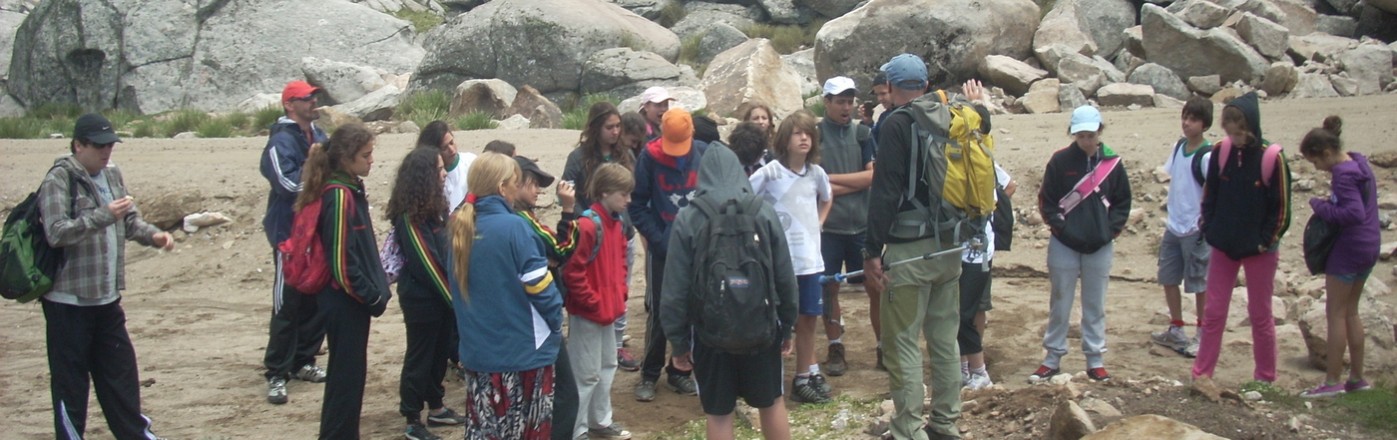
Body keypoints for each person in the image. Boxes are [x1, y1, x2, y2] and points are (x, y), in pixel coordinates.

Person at [864, 54, 986, 440]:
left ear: (893, 85)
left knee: (902, 343)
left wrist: (871, 251)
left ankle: (909, 429)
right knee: (944, 339)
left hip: (908, 251)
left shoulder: (897, 123)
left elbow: (885, 191)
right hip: (950, 247)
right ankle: (946, 423)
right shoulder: (953, 112)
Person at [38, 113, 174, 440]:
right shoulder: (59, 178)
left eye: (110, 144)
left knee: (121, 375)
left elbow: (130, 222)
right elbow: (56, 233)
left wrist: (154, 236)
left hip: (107, 299)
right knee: (71, 383)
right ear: (78, 145)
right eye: (99, 145)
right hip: (68, 302)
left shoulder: (113, 175)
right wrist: (102, 216)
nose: (106, 152)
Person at [660, 144, 797, 440]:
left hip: (710, 332)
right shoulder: (763, 211)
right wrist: (787, 325)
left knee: (719, 414)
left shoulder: (689, 217)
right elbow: (785, 274)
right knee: (772, 402)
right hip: (761, 327)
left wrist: (678, 343)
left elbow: (674, 288)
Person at [451, 153, 564, 439]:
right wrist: (555, 322)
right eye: (516, 182)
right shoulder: (515, 228)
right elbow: (541, 289)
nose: (518, 188)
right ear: (503, 188)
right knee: (526, 429)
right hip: (523, 354)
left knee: (486, 430)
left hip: (479, 355)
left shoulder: (457, 228)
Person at [297, 123, 392, 439]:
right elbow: (341, 262)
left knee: (349, 377)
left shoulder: (349, 188)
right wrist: (370, 295)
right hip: (344, 301)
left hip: (349, 300)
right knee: (345, 380)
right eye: (366, 155)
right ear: (347, 158)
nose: (372, 161)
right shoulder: (338, 196)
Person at [1191, 92, 1291, 387]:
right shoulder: (1221, 152)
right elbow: (1210, 196)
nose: (1235, 139)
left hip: (1259, 249)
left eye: (1240, 133)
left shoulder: (1271, 157)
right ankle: (1202, 373)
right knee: (1214, 311)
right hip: (1223, 244)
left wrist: (1264, 241)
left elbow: (1281, 209)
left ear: (1251, 128)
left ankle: (1264, 378)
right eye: (1230, 133)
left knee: (1260, 314)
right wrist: (1209, 228)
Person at [1031, 106, 1132, 384]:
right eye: (1082, 135)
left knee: (1094, 303)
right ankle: (1052, 357)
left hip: (1100, 244)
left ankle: (1095, 359)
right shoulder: (1060, 161)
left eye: (1091, 135)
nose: (1087, 141)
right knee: (1060, 301)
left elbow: (1123, 201)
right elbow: (1047, 200)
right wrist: (1060, 227)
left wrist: (1109, 232)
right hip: (1064, 243)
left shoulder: (1112, 163)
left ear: (1099, 132)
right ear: (1074, 134)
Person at [751, 110, 833, 403]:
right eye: (798, 133)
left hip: (810, 260)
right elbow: (748, 200)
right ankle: (771, 377)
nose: (804, 139)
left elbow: (827, 196)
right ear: (784, 139)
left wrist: (819, 222)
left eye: (809, 133)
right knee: (776, 319)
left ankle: (804, 375)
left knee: (809, 318)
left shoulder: (816, 173)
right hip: (778, 262)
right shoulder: (770, 172)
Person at [1297, 116, 1380, 398]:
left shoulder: (1343, 175)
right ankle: (1356, 377)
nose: (1318, 168)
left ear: (1327, 153)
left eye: (1316, 162)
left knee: (1336, 314)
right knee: (1352, 312)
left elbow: (1352, 213)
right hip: (1369, 246)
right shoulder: (1359, 164)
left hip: (1348, 249)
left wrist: (1321, 207)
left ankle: (1332, 381)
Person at [387, 146, 467, 440]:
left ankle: (436, 407)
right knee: (419, 357)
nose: (445, 173)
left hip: (441, 300)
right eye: (439, 169)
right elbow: (426, 263)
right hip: (423, 301)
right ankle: (412, 418)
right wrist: (453, 299)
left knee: (438, 354)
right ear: (425, 176)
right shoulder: (410, 217)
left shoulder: (435, 209)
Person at [629, 108, 707, 401]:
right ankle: (649, 374)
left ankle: (681, 372)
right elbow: (636, 205)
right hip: (664, 247)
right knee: (661, 311)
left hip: (698, 247)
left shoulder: (702, 152)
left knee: (694, 307)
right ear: (660, 134)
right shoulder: (648, 158)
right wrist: (660, 240)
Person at [259, 80, 329, 405]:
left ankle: (304, 360)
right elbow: (286, 185)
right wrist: (320, 185)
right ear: (290, 105)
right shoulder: (280, 142)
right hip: (288, 233)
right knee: (287, 301)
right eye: (306, 98)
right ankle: (277, 371)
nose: (313, 102)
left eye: (313, 97)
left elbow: (334, 169)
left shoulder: (318, 135)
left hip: (315, 230)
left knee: (315, 297)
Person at [560, 102, 642, 373]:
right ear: (595, 128)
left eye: (618, 126)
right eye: (610, 127)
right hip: (592, 232)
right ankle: (589, 352)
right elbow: (566, 190)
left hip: (622, 232)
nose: (616, 132)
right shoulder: (578, 157)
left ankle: (617, 344)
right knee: (595, 288)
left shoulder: (625, 155)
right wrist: (589, 218)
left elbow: (633, 193)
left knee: (620, 286)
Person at [562, 163, 636, 440]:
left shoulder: (615, 222)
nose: (628, 200)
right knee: (585, 373)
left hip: (608, 310)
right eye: (623, 194)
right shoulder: (588, 224)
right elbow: (573, 271)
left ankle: (599, 422)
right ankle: (577, 429)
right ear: (605, 192)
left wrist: (620, 296)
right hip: (590, 312)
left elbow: (620, 262)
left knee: (607, 366)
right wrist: (592, 301)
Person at [509, 155, 580, 440]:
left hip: (518, 320)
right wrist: (568, 209)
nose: (538, 190)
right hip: (537, 319)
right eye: (533, 183)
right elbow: (563, 247)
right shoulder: (522, 220)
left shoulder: (506, 219)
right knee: (564, 395)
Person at [815, 76, 877, 376]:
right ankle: (835, 346)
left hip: (862, 225)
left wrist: (832, 182)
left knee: (875, 287)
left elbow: (872, 177)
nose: (846, 107)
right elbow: (814, 184)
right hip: (829, 228)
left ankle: (882, 347)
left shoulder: (863, 133)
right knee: (829, 289)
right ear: (826, 102)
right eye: (840, 101)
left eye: (850, 101)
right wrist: (856, 183)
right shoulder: (815, 135)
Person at [1150, 97, 1214, 358]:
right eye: (1185, 117)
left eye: (1193, 119)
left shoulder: (1207, 155)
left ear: (1204, 123)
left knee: (1199, 283)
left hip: (1195, 228)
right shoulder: (1179, 147)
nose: (1187, 123)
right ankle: (1176, 327)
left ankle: (1203, 333)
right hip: (1174, 225)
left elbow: (1213, 190)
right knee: (1168, 277)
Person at [958, 163, 1013, 391]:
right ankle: (964, 368)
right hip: (968, 249)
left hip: (974, 251)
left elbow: (1009, 186)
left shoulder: (980, 160)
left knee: (965, 312)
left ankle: (978, 372)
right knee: (961, 312)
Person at [419, 121, 475, 212]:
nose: (452, 150)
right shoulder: (426, 178)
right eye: (444, 148)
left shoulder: (471, 162)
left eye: (452, 143)